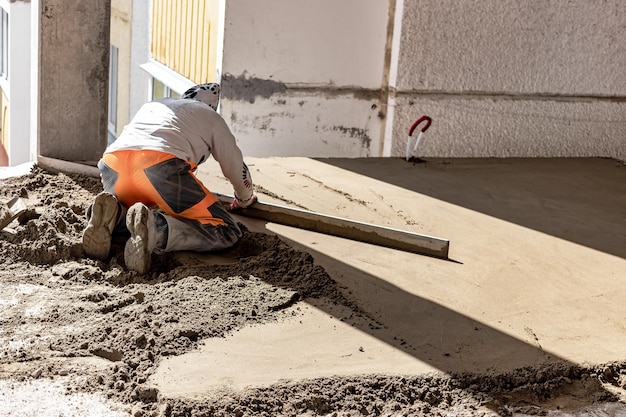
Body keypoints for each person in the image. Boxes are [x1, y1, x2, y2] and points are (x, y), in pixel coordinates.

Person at [82, 83, 257, 274]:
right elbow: (235, 167)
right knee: (226, 230)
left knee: (136, 207)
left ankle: (114, 217)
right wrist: (244, 199)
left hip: (113, 165)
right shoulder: (211, 116)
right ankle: (156, 230)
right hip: (159, 168)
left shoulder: (156, 104)